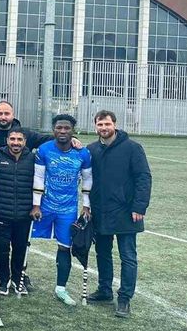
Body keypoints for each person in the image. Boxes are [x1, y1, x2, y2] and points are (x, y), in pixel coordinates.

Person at [86, 110, 152, 318]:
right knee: (103, 253)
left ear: (114, 124)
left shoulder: (132, 148)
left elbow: (143, 177)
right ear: (95, 126)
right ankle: (104, 290)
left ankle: (124, 298)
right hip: (101, 211)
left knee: (128, 256)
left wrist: (139, 206)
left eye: (107, 124)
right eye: (100, 125)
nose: (104, 128)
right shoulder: (92, 149)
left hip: (126, 211)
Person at [32, 114, 92, 306]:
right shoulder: (44, 150)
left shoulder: (82, 153)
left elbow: (87, 180)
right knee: (25, 239)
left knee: (65, 247)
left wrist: (86, 205)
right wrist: (36, 204)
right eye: (59, 128)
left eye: (67, 128)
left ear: (73, 130)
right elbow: (38, 177)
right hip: (45, 206)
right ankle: (19, 279)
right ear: (53, 130)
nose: (63, 131)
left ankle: (61, 288)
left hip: (68, 209)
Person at [0, 128, 35, 295]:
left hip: (24, 213)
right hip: (2, 212)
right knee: (1, 249)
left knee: (20, 248)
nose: (16, 143)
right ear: (7, 140)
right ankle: (3, 280)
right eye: (12, 139)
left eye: (19, 139)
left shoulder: (32, 158)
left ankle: (17, 279)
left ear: (25, 142)